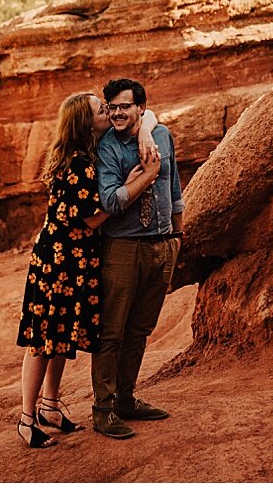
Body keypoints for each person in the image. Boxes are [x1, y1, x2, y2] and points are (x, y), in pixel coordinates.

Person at [14, 92, 161, 449]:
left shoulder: (85, 155)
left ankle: (50, 406)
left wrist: (143, 135)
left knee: (59, 337)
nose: (108, 112)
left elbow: (150, 113)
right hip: (61, 261)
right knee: (42, 340)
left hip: (72, 259)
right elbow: (93, 219)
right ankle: (26, 419)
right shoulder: (78, 164)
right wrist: (132, 186)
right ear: (85, 122)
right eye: (101, 109)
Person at [90, 77, 182, 440]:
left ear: (141, 108)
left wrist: (178, 236)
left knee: (140, 330)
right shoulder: (108, 148)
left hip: (162, 244)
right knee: (112, 331)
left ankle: (126, 399)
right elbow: (110, 201)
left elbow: (174, 190)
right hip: (123, 248)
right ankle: (103, 408)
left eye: (124, 106)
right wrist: (148, 174)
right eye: (111, 107)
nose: (116, 113)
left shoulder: (160, 135)